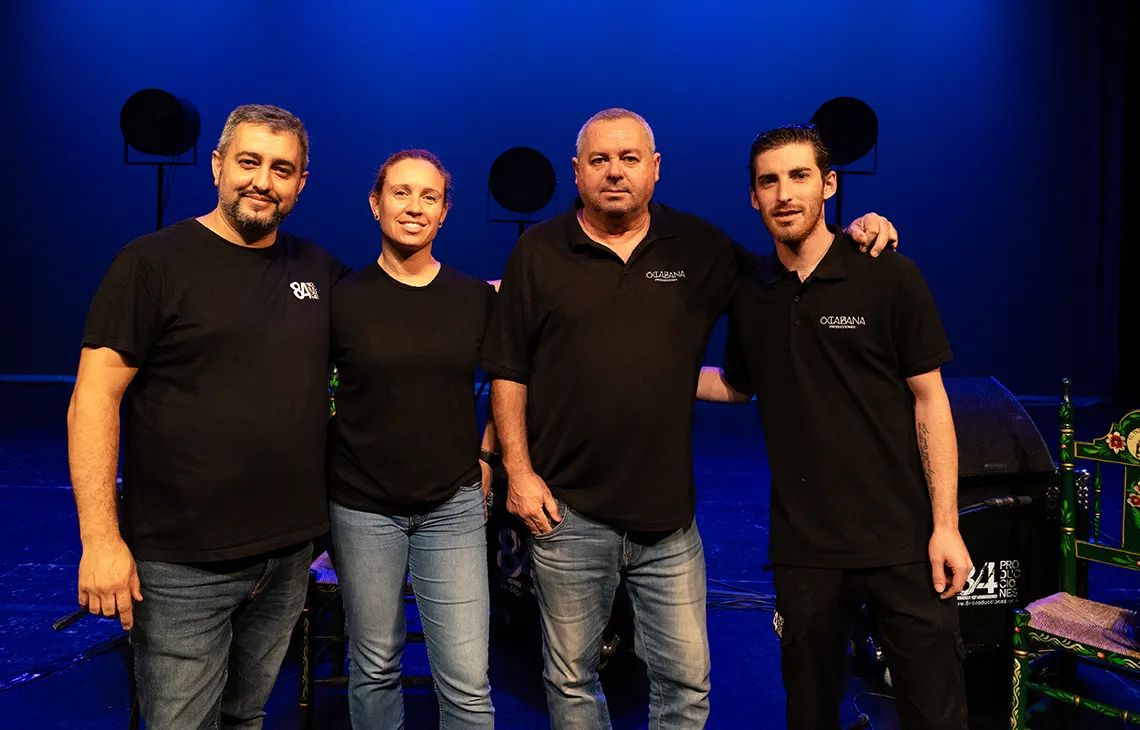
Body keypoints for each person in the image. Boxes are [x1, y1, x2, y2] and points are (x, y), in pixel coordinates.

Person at [479, 107, 898, 729]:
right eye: (599, 160)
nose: (615, 172)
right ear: (577, 171)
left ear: (655, 168)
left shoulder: (699, 248)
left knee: (686, 685)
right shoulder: (537, 253)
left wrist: (857, 230)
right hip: (565, 515)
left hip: (668, 524)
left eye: (629, 158)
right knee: (570, 680)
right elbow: (509, 371)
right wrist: (518, 471)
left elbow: (790, 270)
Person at [68, 104, 345, 729]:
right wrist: (100, 540)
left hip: (287, 555)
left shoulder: (318, 270)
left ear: (301, 183)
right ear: (218, 166)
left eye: (282, 169)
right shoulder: (151, 264)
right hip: (181, 565)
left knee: (245, 717)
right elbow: (93, 398)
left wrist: (487, 296)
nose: (262, 181)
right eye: (248, 162)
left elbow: (398, 311)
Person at [697, 124, 971, 729]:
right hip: (806, 550)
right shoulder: (752, 293)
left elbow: (931, 401)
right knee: (810, 714)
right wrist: (651, 371)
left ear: (829, 185)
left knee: (936, 715)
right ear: (752, 196)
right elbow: (739, 386)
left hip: (904, 541)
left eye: (799, 177)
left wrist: (946, 526)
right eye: (769, 181)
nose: (784, 194)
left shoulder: (888, 275)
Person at [327, 149, 497, 728]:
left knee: (468, 681)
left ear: (444, 213)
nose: (414, 207)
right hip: (362, 506)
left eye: (429, 196)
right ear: (375, 204)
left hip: (452, 504)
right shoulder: (342, 298)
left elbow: (510, 380)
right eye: (401, 193)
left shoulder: (473, 298)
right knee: (375, 666)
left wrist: (487, 453)